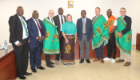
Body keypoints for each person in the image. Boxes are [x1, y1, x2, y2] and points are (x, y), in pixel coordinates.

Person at [8, 6, 32, 79]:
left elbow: (25, 29)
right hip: (18, 42)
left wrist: (27, 38)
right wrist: (16, 42)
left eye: (22, 10)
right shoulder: (13, 18)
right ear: (16, 11)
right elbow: (12, 30)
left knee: (25, 57)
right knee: (19, 58)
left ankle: (24, 71)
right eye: (19, 10)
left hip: (25, 41)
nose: (21, 11)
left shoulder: (23, 18)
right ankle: (20, 74)